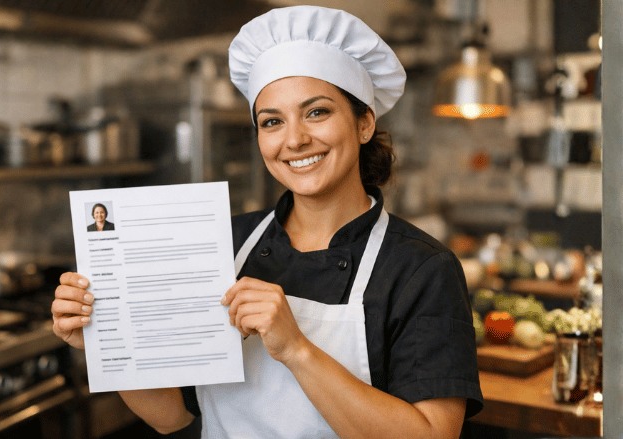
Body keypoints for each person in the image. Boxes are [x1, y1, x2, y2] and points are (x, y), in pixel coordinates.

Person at [53, 5, 482, 438]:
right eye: (272, 121)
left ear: (365, 122)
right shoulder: (225, 243)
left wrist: (296, 349)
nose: (294, 139)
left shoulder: (422, 270)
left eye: (317, 112)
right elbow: (172, 414)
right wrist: (103, 341)